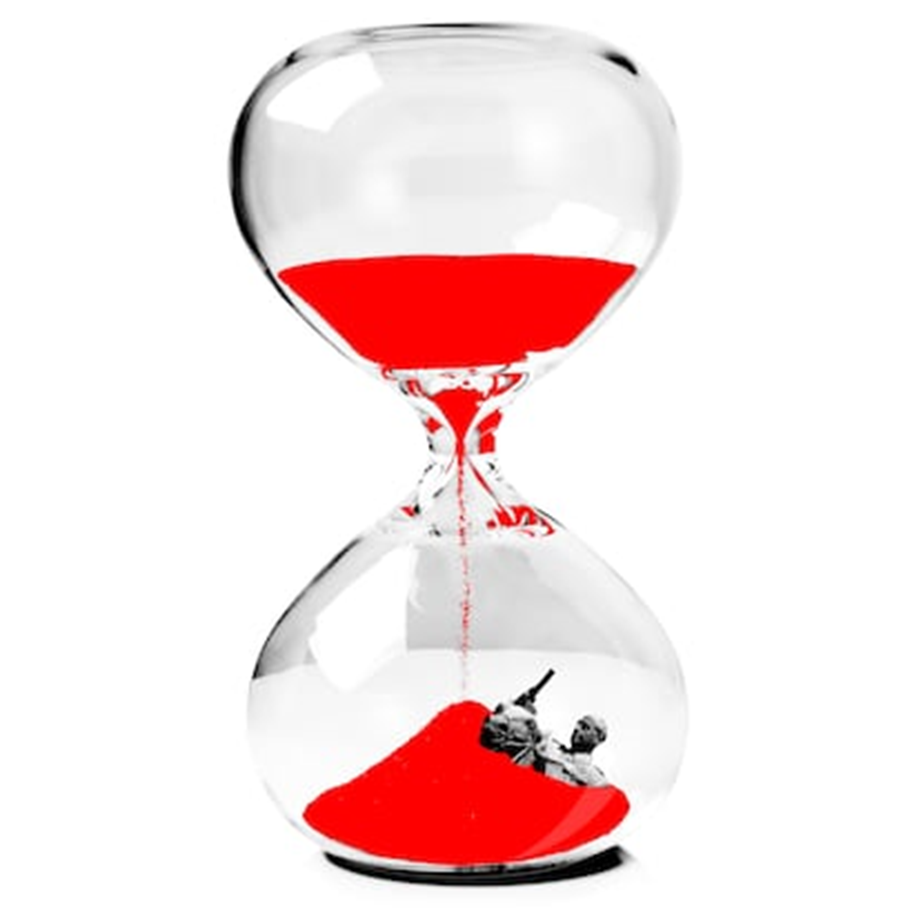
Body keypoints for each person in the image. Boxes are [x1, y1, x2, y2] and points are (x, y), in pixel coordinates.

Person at [539, 715, 609, 787]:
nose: (577, 729)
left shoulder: (595, 778)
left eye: (585, 727)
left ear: (598, 738)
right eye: (578, 725)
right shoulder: (551, 748)